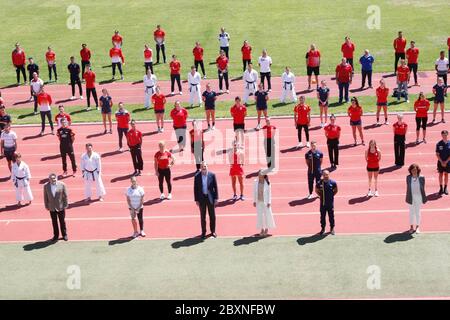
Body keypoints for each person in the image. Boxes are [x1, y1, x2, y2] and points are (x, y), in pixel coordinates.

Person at [194, 162, 218, 239]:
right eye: (202, 166)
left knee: (212, 216)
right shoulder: (197, 176)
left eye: (205, 166)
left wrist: (216, 198)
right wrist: (196, 200)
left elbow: (215, 187)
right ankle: (203, 232)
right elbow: (195, 189)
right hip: (201, 199)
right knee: (203, 217)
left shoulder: (212, 175)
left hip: (210, 198)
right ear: (200, 167)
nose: (203, 168)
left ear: (207, 166)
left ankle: (213, 231)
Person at [43, 173, 69, 241]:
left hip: (60, 206)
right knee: (54, 222)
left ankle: (64, 235)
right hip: (51, 207)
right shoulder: (46, 186)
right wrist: (46, 206)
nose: (53, 179)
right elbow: (45, 197)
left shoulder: (62, 184)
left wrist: (66, 204)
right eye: (51, 178)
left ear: (56, 178)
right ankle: (56, 236)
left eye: (54, 178)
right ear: (49, 179)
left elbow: (65, 195)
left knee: (62, 221)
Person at [253, 169, 275, 236]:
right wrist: (254, 201)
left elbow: (269, 193)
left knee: (267, 215)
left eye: (261, 174)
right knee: (260, 216)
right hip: (259, 201)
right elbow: (254, 192)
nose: (259, 175)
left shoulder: (267, 182)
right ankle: (262, 229)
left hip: (266, 202)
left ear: (263, 175)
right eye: (259, 174)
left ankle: (267, 229)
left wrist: (269, 202)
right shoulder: (255, 181)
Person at [406, 163, 427, 234]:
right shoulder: (408, 177)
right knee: (411, 212)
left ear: (418, 170)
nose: (414, 171)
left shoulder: (422, 177)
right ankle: (411, 227)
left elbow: (423, 188)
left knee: (417, 212)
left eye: (415, 170)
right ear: (410, 171)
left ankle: (417, 227)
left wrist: (423, 197)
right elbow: (408, 188)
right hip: (411, 197)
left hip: (419, 197)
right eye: (412, 170)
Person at [315, 170, 337, 235]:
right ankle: (323, 229)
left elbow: (336, 190)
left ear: (329, 174)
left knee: (331, 216)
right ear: (322, 175)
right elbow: (316, 190)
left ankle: (332, 228)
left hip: (330, 203)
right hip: (323, 204)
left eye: (327, 175)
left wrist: (331, 196)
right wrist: (320, 195)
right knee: (322, 217)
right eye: (324, 175)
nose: (325, 176)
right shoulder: (319, 183)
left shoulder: (333, 182)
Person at [436, 130, 449, 195]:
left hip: (448, 162)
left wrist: (446, 162)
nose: (444, 136)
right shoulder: (439, 144)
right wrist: (441, 162)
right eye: (443, 135)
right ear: (441, 135)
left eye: (445, 135)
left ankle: (445, 188)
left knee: (446, 174)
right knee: (440, 174)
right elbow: (437, 154)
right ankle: (441, 188)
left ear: (447, 135)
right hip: (440, 162)